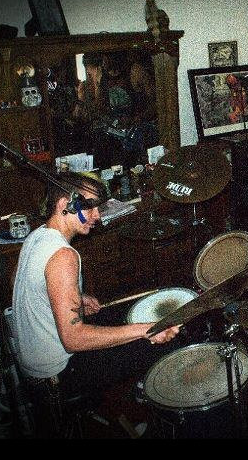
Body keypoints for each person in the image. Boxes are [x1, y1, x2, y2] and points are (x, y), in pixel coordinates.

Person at [12, 171, 179, 434]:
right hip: (57, 377)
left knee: (126, 313)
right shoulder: (64, 256)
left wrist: (74, 297)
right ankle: (156, 421)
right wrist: (147, 331)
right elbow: (73, 339)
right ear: (64, 204)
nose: (97, 216)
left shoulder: (38, 235)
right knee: (159, 340)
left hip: (33, 368)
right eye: (89, 208)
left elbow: (18, 280)